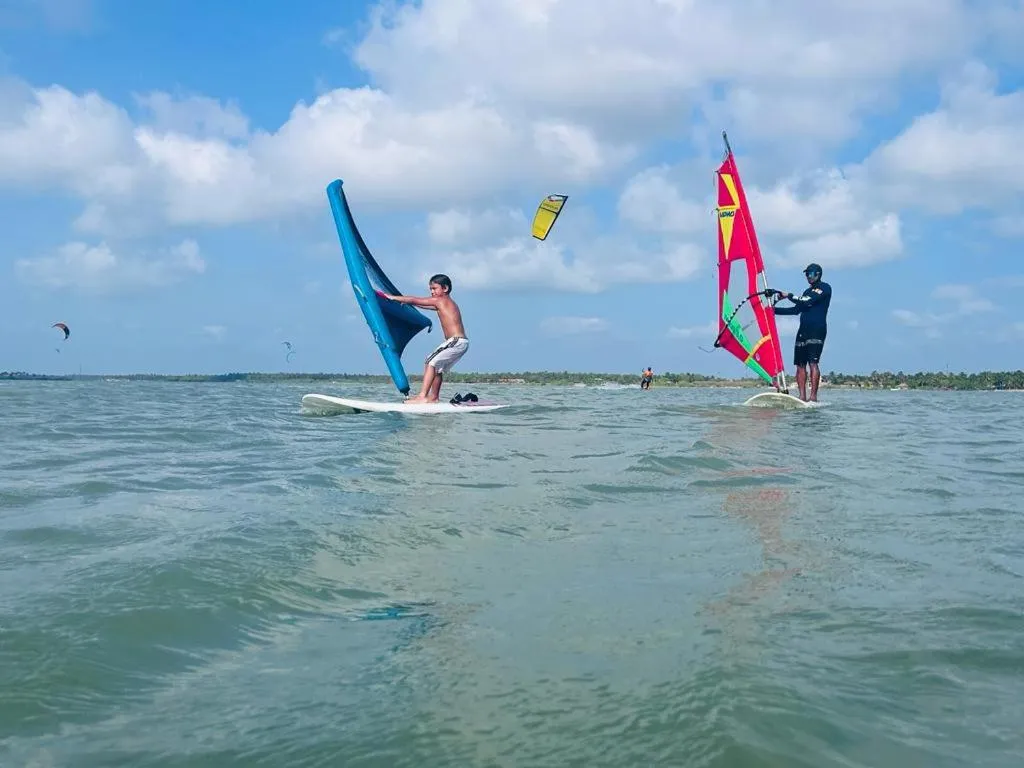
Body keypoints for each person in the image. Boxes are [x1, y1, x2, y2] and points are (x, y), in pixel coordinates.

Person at [378, 274, 469, 403]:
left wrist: (392, 297)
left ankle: (422, 396)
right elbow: (424, 305)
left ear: (445, 288)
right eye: (430, 289)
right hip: (458, 343)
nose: (432, 291)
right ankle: (434, 398)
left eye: (434, 288)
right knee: (436, 367)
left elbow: (416, 300)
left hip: (456, 341)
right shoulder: (443, 303)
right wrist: (404, 301)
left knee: (430, 361)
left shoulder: (440, 300)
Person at [772, 263, 831, 402]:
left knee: (813, 363)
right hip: (803, 329)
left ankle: (813, 397)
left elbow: (808, 301)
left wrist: (788, 295)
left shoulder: (825, 288)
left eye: (810, 274)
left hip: (817, 329)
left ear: (818, 274)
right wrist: (773, 311)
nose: (808, 277)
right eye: (806, 274)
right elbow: (796, 310)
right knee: (800, 364)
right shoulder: (806, 292)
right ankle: (802, 397)